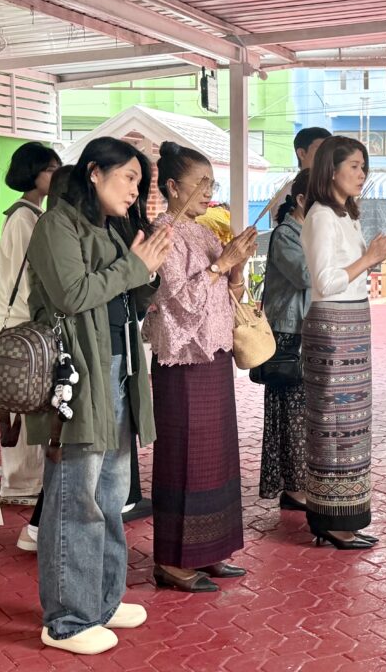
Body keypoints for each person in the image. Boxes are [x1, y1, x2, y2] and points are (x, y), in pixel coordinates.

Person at [26, 137, 172, 655]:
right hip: (79, 377)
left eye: (140, 182)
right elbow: (72, 294)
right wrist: (133, 267)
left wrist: (148, 269)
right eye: (129, 177)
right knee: (76, 498)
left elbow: (127, 295)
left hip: (118, 369)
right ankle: (67, 620)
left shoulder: (111, 227)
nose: (136, 191)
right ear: (94, 172)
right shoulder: (57, 225)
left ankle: (102, 602)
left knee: (111, 495)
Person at [142, 141, 257, 592]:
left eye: (212, 182)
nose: (209, 191)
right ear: (172, 187)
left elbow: (228, 298)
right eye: (201, 182)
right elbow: (180, 300)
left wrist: (236, 268)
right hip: (182, 361)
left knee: (216, 456)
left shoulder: (206, 232)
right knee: (183, 456)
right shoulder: (162, 233)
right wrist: (220, 266)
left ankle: (208, 551)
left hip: (214, 355)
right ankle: (172, 561)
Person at [301, 136, 386, 549]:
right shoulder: (321, 216)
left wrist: (376, 255)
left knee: (352, 423)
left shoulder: (346, 214)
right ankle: (330, 519)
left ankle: (346, 514)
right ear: (331, 170)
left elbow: (352, 275)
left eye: (364, 167)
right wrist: (370, 257)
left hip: (353, 323)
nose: (362, 174)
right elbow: (325, 282)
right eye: (355, 166)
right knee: (333, 423)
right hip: (332, 326)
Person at [0, 143, 60, 532]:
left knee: (27, 401)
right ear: (33, 172)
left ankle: (27, 482)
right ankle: (21, 484)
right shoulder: (24, 218)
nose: (56, 175)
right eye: (50, 168)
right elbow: (24, 276)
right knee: (21, 401)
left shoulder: (31, 215)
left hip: (23, 324)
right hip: (19, 325)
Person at [260, 168, 311, 511]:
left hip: (308, 330)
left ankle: (301, 483)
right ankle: (294, 488)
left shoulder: (312, 233)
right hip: (288, 334)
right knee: (290, 413)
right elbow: (308, 276)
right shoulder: (286, 235)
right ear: (302, 200)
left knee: (305, 412)